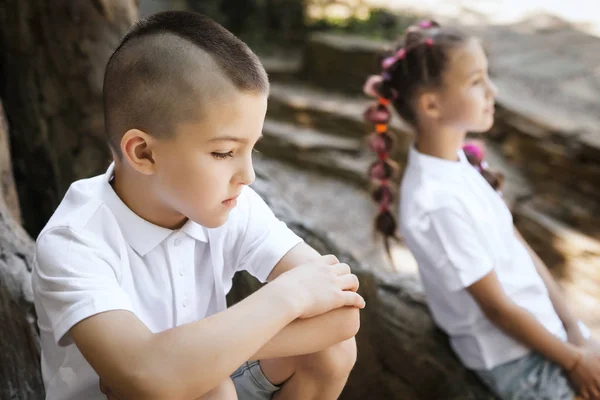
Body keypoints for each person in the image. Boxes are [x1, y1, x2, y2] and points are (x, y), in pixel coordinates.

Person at [32, 11, 365, 400]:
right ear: (143, 153)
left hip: (197, 380)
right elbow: (147, 379)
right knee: (210, 390)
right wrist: (289, 296)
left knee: (329, 351)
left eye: (251, 148)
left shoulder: (234, 204)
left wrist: (188, 358)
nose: (249, 175)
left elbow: (343, 315)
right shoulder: (75, 241)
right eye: (224, 152)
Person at [362, 19, 600, 400]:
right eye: (476, 82)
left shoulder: (457, 163)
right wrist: (573, 360)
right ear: (431, 104)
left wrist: (574, 328)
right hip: (518, 361)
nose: (493, 91)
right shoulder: (436, 201)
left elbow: (517, 244)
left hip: (552, 336)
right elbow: (498, 310)